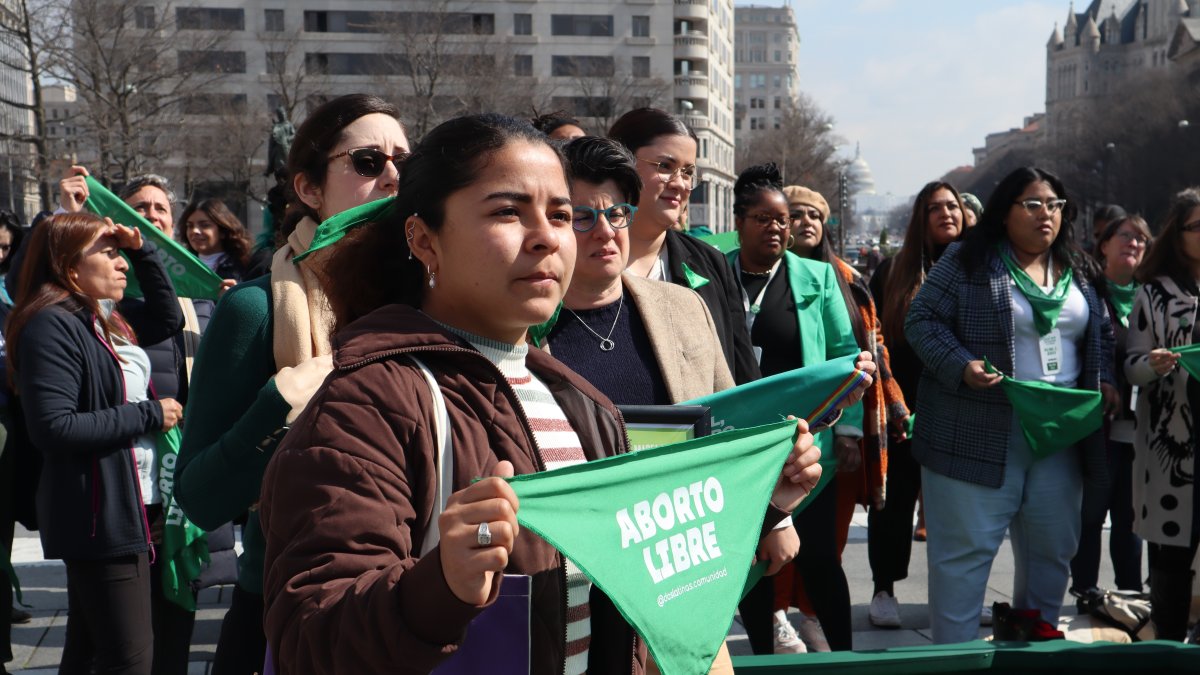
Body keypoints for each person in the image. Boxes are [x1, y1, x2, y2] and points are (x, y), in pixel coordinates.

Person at [260, 113, 827, 674]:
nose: (545, 237)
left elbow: (642, 583)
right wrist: (440, 585)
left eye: (558, 214)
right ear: (424, 239)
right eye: (508, 212)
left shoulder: (581, 404)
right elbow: (309, 640)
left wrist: (762, 503)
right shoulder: (369, 404)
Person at [174, 94, 409, 675]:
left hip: (418, 605)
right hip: (281, 608)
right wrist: (278, 406)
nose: (393, 176)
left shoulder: (434, 301)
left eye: (406, 160)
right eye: (368, 162)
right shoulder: (256, 310)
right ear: (308, 188)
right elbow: (200, 496)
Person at [905, 167, 1116, 644]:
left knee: (1051, 555)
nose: (1047, 215)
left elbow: (1100, 330)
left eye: (1055, 205)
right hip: (975, 430)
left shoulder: (1078, 267)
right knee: (963, 562)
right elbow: (922, 320)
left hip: (1058, 435)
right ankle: (956, 660)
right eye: (1033, 204)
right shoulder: (967, 260)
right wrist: (961, 365)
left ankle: (1033, 651)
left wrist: (1104, 378)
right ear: (1005, 213)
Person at [7, 212, 185, 674]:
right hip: (99, 514)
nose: (121, 263)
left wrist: (143, 251)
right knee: (130, 658)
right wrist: (149, 413)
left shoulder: (102, 316)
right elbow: (55, 427)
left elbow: (168, 317)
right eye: (108, 253)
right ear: (69, 267)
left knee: (89, 652)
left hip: (128, 503)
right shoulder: (51, 325)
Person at [726, 165, 866, 653]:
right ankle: (764, 656)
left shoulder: (818, 276)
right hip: (738, 444)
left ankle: (844, 658)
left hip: (804, 444)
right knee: (754, 559)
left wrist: (848, 430)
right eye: (762, 219)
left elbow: (845, 355)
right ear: (739, 222)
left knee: (819, 556)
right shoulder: (713, 274)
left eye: (782, 221)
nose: (776, 229)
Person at [773, 185, 909, 649]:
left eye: (815, 215)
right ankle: (776, 614)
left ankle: (813, 615)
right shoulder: (757, 276)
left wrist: (852, 427)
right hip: (780, 428)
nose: (806, 222)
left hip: (838, 432)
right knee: (777, 538)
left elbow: (864, 349)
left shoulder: (847, 278)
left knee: (825, 542)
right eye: (795, 214)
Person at [867, 181, 963, 628]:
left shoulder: (978, 267)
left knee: (959, 510)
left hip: (961, 408)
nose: (946, 213)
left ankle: (959, 594)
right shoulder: (893, 272)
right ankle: (883, 588)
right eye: (935, 208)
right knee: (894, 504)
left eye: (953, 206)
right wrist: (894, 404)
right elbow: (875, 339)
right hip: (903, 409)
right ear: (919, 218)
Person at [608, 108, 760, 385]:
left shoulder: (711, 264)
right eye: (665, 166)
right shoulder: (582, 256)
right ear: (622, 166)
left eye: (688, 172)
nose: (680, 184)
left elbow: (743, 373)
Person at [1123, 187, 1200, 641]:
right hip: (1174, 446)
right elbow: (1131, 366)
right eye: (1198, 226)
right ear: (1178, 234)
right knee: (1172, 556)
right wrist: (1152, 365)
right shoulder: (1153, 294)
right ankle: (1168, 645)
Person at [1070, 215, 1151, 599]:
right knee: (1091, 512)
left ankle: (1130, 596)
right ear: (1104, 244)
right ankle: (1086, 592)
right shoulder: (1086, 294)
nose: (1133, 243)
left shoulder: (1151, 297)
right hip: (1096, 425)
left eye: (1141, 239)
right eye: (1126, 236)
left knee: (1130, 516)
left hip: (1141, 426)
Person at [178, 199, 270, 285]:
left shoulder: (247, 266)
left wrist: (233, 292)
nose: (195, 231)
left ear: (223, 231)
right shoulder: (179, 266)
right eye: (190, 226)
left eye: (205, 225)